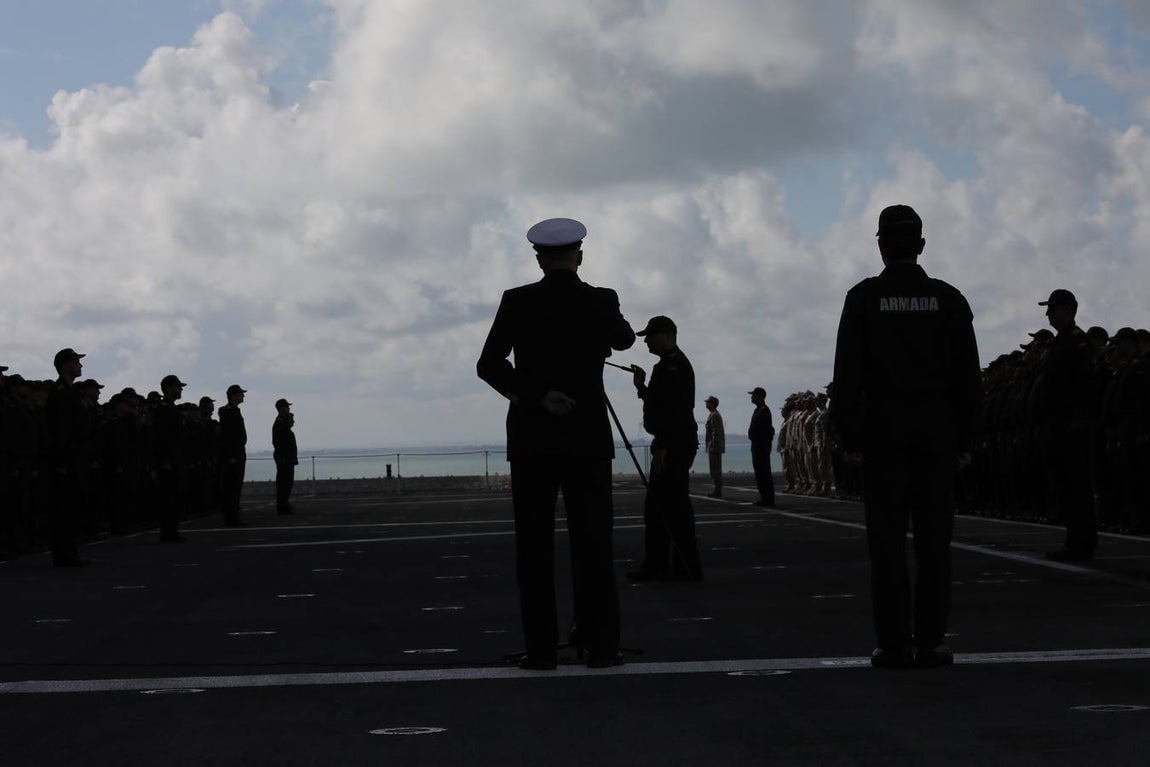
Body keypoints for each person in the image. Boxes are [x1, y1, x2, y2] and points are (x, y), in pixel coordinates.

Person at [477, 217, 635, 670]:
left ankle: (542, 650)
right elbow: (623, 340)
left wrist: (535, 395)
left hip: (532, 436)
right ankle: (602, 647)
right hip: (586, 437)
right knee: (594, 549)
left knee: (534, 549)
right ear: (579, 256)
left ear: (539, 258)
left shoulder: (517, 301)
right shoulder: (601, 300)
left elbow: (489, 365)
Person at [831, 204, 980, 669]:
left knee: (888, 543)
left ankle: (893, 642)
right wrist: (966, 440)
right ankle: (932, 640)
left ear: (881, 245)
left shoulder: (863, 299)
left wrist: (851, 437)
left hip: (883, 433)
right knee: (935, 542)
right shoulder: (949, 299)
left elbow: (847, 373)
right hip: (936, 432)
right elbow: (968, 378)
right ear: (921, 245)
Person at [627, 315, 702, 582]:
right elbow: (662, 404)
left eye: (651, 335)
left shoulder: (673, 367)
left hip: (673, 444)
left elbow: (676, 411)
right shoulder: (668, 366)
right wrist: (641, 387)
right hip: (674, 442)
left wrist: (663, 447)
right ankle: (677, 566)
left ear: (667, 335)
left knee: (667, 508)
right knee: (666, 507)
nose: (646, 341)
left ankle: (675, 566)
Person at [1035, 289, 1098, 560]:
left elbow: (1085, 385)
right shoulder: (1061, 342)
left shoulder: (1076, 342)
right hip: (1057, 426)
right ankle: (1075, 540)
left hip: (1071, 428)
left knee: (1076, 487)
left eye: (1052, 308)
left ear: (1066, 310)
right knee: (1065, 487)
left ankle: (1081, 544)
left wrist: (1078, 420)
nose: (1048, 313)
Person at [44, 348, 91, 566]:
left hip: (73, 457)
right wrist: (61, 461)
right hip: (66, 458)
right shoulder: (60, 392)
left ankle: (69, 552)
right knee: (63, 508)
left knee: (71, 507)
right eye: (76, 362)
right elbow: (60, 430)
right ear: (65, 366)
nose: (80, 366)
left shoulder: (68, 391)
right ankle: (64, 554)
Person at [154, 374, 187, 543]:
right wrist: (164, 460)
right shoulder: (163, 408)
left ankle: (172, 530)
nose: (181, 389)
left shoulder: (171, 407)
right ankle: (168, 532)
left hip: (175, 457)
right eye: (178, 386)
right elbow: (161, 436)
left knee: (175, 496)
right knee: (168, 497)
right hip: (169, 459)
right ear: (168, 388)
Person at [217, 384, 247, 526]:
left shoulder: (234, 411)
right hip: (233, 454)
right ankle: (231, 518)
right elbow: (227, 436)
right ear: (234, 395)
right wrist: (231, 456)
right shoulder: (227, 412)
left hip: (238, 452)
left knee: (236, 487)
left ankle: (233, 516)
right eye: (240, 393)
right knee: (232, 487)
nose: (243, 396)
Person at [747, 386, 775, 507]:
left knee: (764, 473)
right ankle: (764, 497)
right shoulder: (758, 410)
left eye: (754, 395)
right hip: (756, 445)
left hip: (761, 446)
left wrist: (765, 446)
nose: (752, 397)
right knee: (760, 473)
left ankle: (767, 498)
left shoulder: (764, 411)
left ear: (760, 396)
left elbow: (767, 431)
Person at [272, 398, 297, 515]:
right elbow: (278, 442)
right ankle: (282, 506)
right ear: (281, 408)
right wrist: (282, 457)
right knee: (284, 483)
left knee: (288, 482)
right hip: (284, 458)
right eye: (287, 407)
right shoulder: (279, 424)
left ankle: (284, 503)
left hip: (288, 457)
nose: (288, 409)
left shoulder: (283, 424)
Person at [703, 396, 725, 498]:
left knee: (715, 468)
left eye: (707, 402)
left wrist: (713, 445)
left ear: (712, 403)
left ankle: (718, 490)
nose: (706, 404)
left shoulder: (714, 415)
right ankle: (717, 489)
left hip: (714, 447)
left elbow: (716, 432)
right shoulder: (712, 415)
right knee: (714, 468)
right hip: (713, 446)